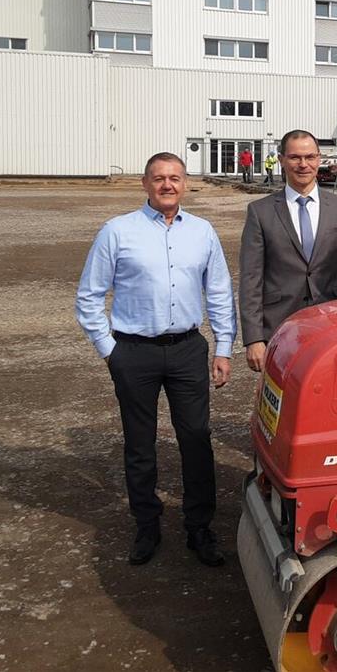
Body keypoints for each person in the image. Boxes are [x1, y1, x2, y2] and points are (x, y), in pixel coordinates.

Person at [75, 152, 236, 568]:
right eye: (159, 178)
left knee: (196, 440)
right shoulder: (117, 231)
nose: (168, 185)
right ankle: (146, 524)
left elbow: (218, 291)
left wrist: (222, 346)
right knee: (140, 444)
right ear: (145, 184)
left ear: (186, 184)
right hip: (134, 352)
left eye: (175, 178)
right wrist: (110, 351)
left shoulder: (202, 232)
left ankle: (199, 527)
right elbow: (89, 296)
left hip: (186, 349)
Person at [240, 130, 337, 373]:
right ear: (281, 160)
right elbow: (251, 278)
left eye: (310, 157)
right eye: (295, 157)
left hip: (331, 325)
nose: (303, 164)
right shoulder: (260, 212)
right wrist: (253, 338)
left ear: (318, 159)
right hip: (279, 327)